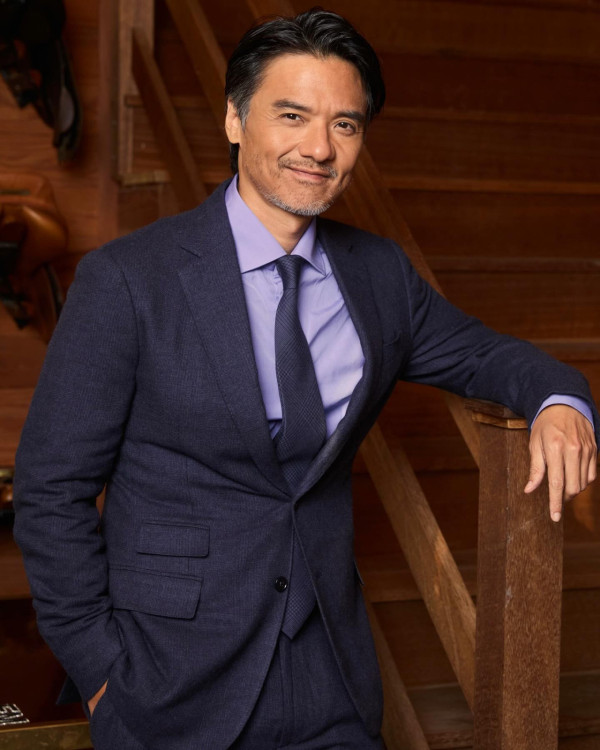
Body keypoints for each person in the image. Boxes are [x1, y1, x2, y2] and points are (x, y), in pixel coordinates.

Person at [13, 9, 598, 750]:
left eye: (344, 124)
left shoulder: (378, 275)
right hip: (166, 678)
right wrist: (100, 672)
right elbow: (51, 489)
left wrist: (559, 400)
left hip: (330, 676)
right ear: (234, 120)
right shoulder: (129, 280)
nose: (319, 148)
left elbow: (487, 355)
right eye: (292, 115)